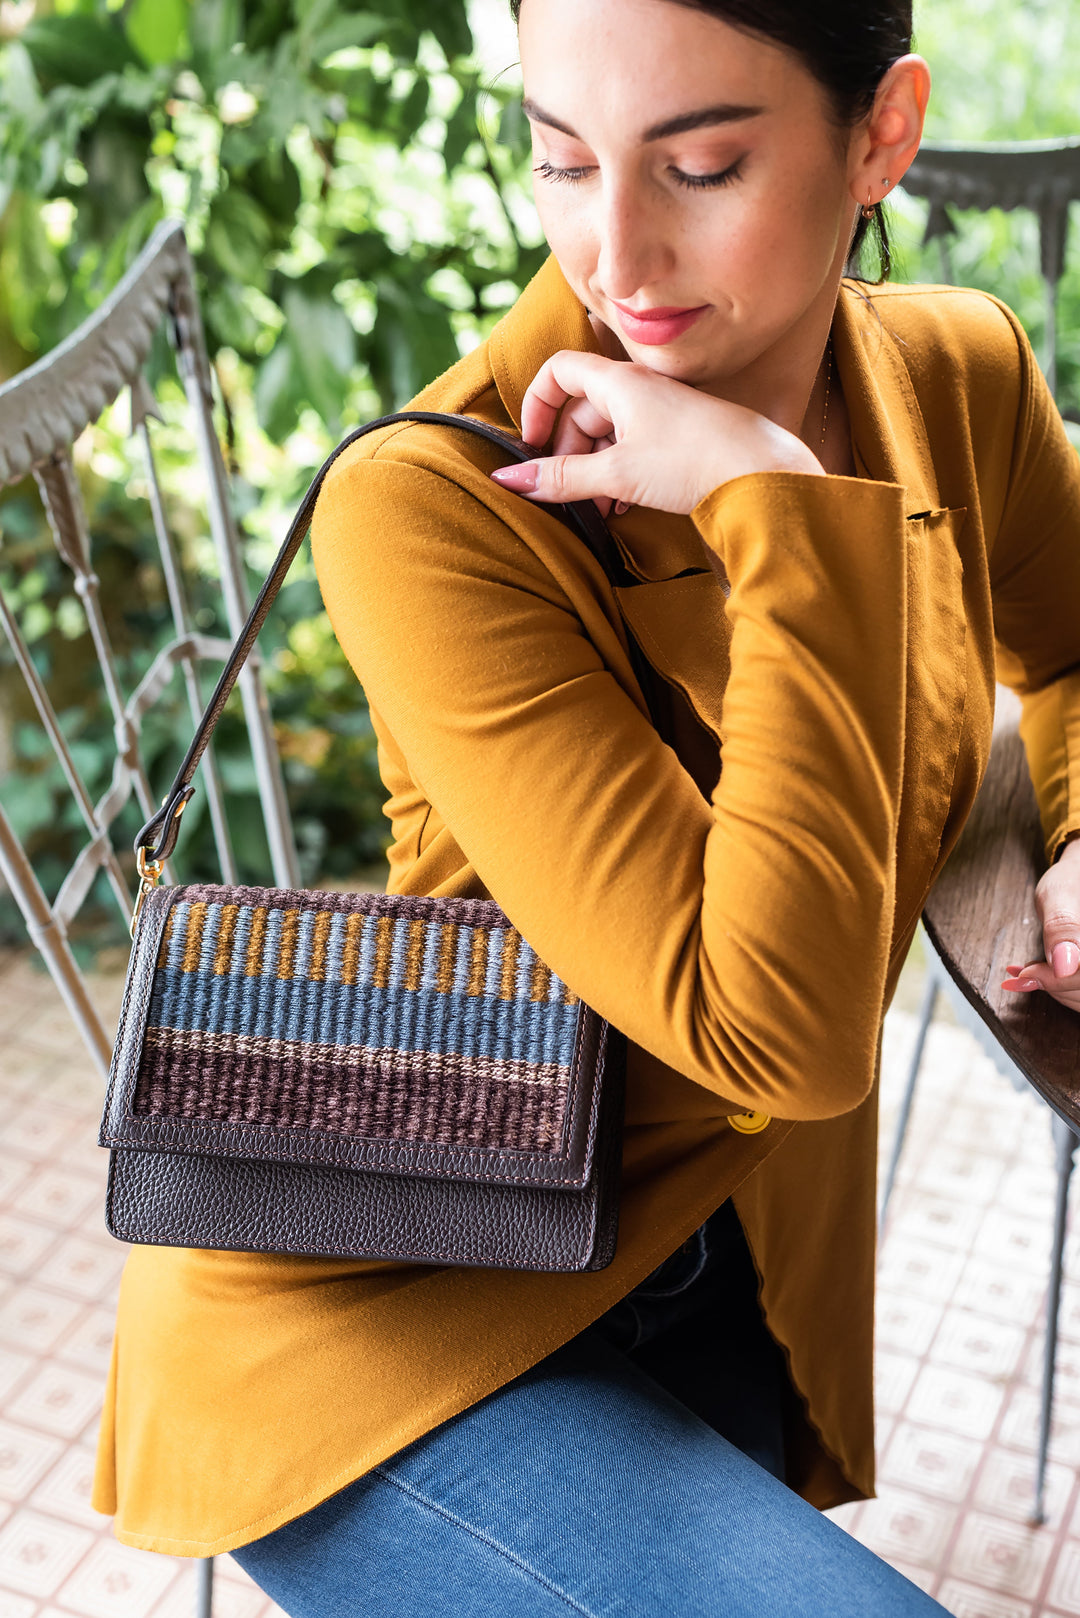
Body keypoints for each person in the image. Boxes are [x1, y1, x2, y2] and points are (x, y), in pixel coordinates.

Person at [92, 1, 1080, 1613]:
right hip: (394, 1312)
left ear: (882, 134)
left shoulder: (955, 379)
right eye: (559, 156)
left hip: (724, 1273)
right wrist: (778, 506)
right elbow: (778, 1032)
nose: (615, 250)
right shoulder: (434, 504)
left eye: (698, 164)